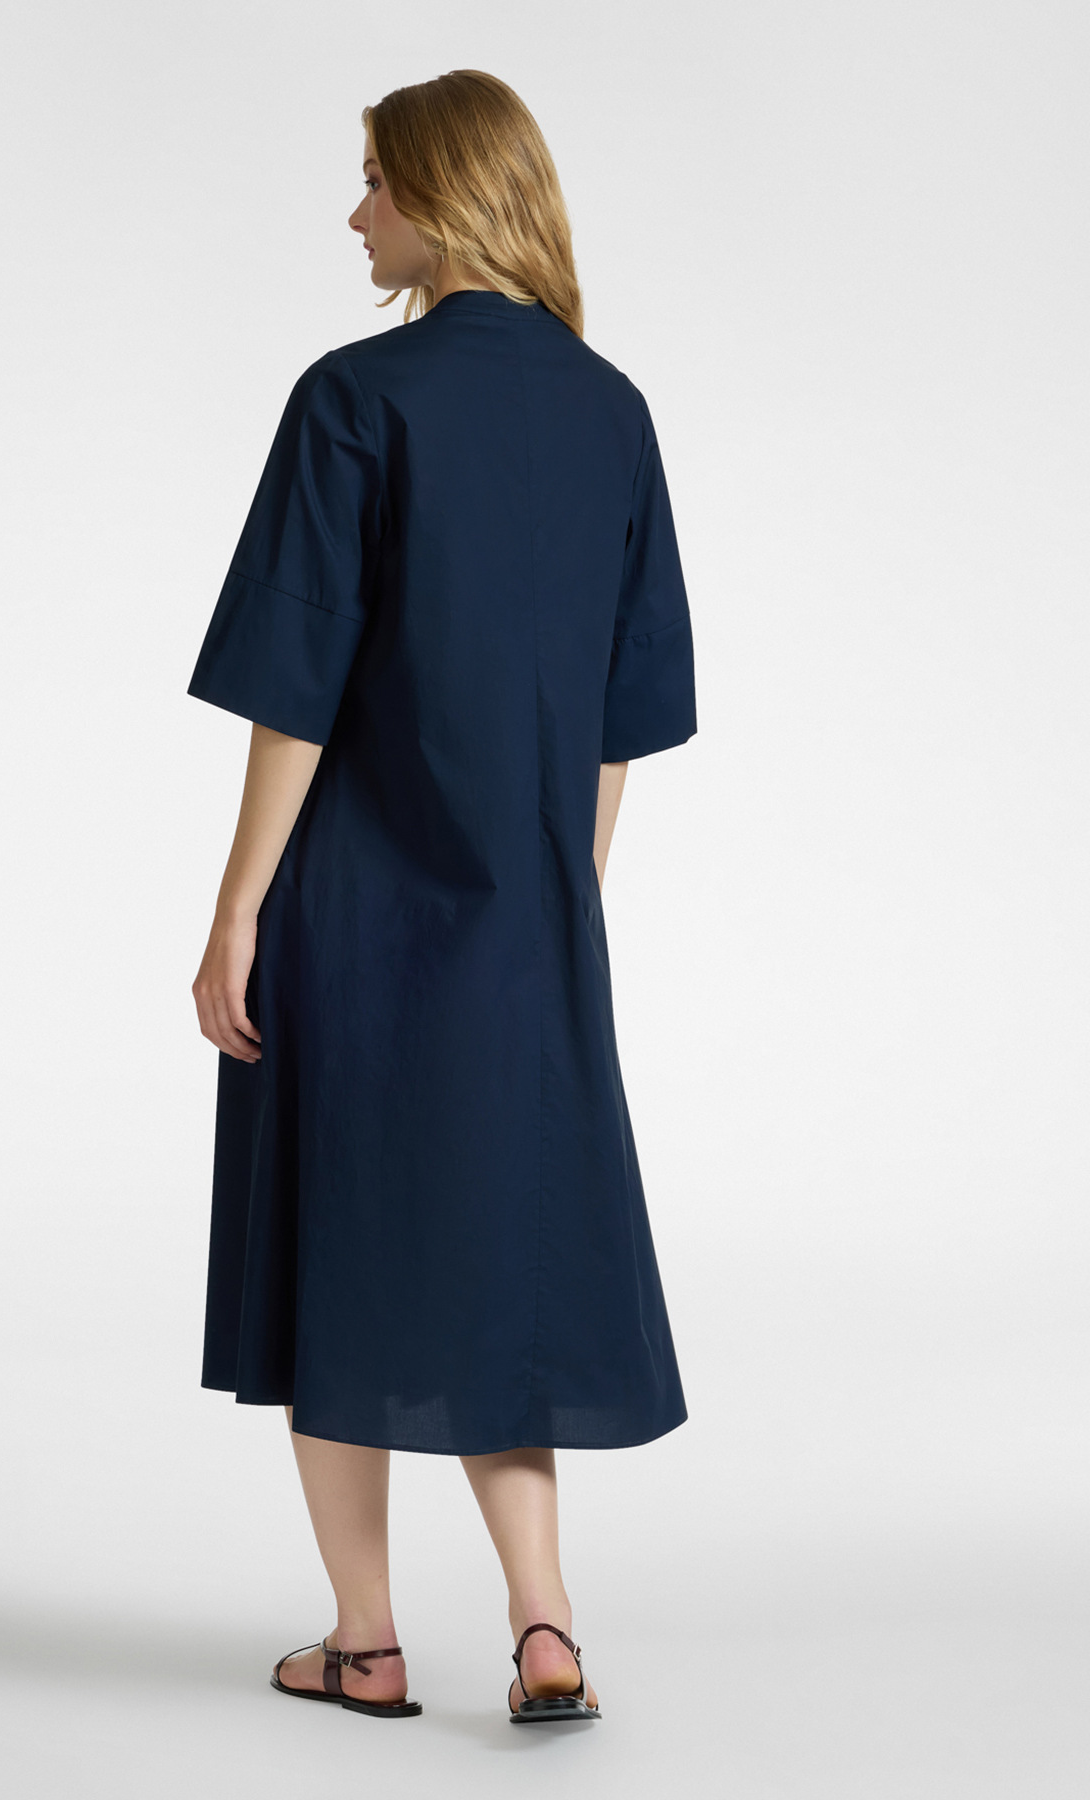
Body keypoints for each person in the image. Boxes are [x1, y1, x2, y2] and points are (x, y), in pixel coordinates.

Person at [188, 69, 696, 1725]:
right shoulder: (611, 412)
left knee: (329, 1255)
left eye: (374, 183)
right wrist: (560, 901)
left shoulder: (354, 396)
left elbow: (296, 688)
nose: (356, 215)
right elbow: (622, 717)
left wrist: (237, 909)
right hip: (525, 925)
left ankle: (366, 1640)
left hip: (350, 909)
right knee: (505, 1260)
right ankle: (543, 1624)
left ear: (442, 192)